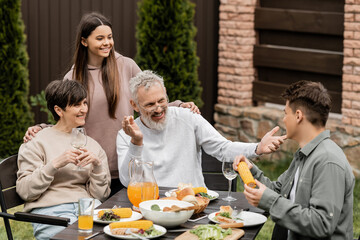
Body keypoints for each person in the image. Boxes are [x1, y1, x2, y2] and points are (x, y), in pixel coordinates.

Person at [23, 12, 199, 196]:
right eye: (100, 38)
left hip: (127, 162)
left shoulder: (127, 66)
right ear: (84, 41)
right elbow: (67, 120)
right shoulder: (73, 76)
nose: (107, 43)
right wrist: (42, 128)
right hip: (94, 168)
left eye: (109, 37)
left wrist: (178, 105)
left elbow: (149, 100)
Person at [116, 70, 286, 187]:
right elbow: (126, 180)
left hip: (193, 203)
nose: (159, 108)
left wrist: (257, 148)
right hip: (151, 205)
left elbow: (222, 147)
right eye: (150, 105)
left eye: (161, 100)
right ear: (135, 105)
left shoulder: (187, 117)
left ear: (166, 93)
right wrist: (136, 143)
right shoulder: (126, 135)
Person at [233, 80, 355, 239]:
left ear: (298, 116)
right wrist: (250, 172)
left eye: (285, 113)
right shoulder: (304, 154)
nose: (283, 119)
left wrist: (270, 201)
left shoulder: (327, 160)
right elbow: (279, 193)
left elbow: (322, 224)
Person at [16, 80, 111, 240]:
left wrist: (97, 166)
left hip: (88, 209)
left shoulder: (93, 146)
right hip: (51, 212)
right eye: (76, 105)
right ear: (59, 110)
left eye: (85, 103)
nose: (83, 109)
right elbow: (25, 191)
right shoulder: (36, 141)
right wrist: (55, 164)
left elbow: (101, 195)